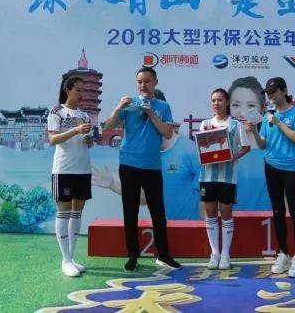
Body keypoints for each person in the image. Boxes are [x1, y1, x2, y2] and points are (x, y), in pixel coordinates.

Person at [103, 66, 182, 272]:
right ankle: (133, 256)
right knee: (130, 213)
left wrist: (151, 113)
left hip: (152, 166)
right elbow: (108, 126)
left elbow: (167, 133)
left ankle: (163, 255)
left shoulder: (163, 106)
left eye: (147, 81)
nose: (143, 85)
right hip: (128, 164)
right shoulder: (129, 104)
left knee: (158, 213)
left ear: (155, 83)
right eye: (139, 81)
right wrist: (118, 107)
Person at [246, 77, 295, 278]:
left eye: (273, 92)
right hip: (271, 166)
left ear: (284, 91)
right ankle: (283, 254)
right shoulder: (267, 116)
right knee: (277, 211)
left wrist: (279, 122)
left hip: (292, 168)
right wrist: (255, 132)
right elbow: (263, 144)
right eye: (268, 93)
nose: (271, 96)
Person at [198, 88, 251, 270]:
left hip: (227, 178)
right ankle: (214, 254)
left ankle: (226, 254)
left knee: (226, 214)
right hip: (207, 176)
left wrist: (233, 156)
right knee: (210, 214)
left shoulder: (236, 125)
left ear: (227, 102)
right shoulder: (205, 124)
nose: (216, 103)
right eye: (213, 100)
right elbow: (201, 147)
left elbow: (246, 147)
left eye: (220, 100)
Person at [47, 76, 94, 277]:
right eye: (78, 90)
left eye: (84, 90)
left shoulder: (85, 115)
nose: (82, 94)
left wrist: (89, 140)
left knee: (77, 212)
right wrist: (75, 130)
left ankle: (71, 257)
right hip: (64, 169)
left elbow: (88, 143)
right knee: (64, 212)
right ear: (68, 90)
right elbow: (52, 139)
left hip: (83, 169)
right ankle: (65, 260)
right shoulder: (57, 111)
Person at [228, 76, 271, 211]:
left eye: (251, 105)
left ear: (262, 109)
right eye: (236, 105)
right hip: (229, 222)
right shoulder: (221, 150)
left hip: (267, 222)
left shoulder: (272, 151)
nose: (242, 113)